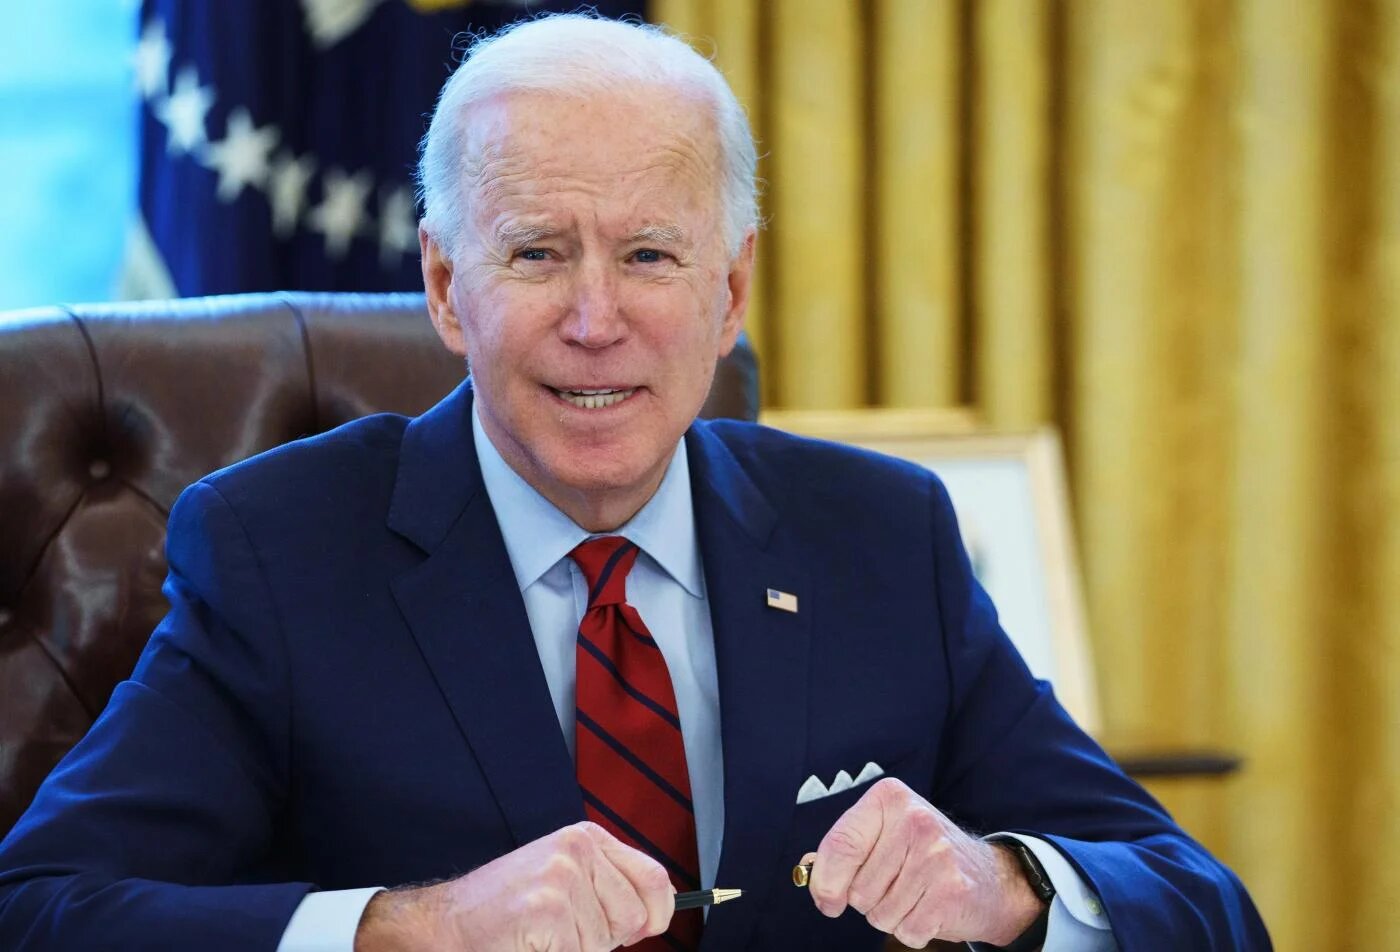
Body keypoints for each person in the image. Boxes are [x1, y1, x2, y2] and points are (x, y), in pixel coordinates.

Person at [0, 13, 1269, 952]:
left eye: (652, 254)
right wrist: (409, 927)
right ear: (447, 287)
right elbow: (44, 905)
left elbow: (1200, 900)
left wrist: (1003, 886)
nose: (594, 319)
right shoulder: (281, 552)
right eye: (537, 251)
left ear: (728, 291)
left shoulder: (879, 538)